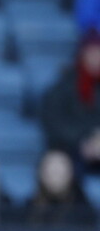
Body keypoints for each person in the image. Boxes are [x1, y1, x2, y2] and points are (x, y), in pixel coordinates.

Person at [40, 32, 100, 174]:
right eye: (93, 53)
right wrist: (84, 142)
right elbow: (53, 121)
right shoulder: (64, 84)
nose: (96, 58)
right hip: (71, 151)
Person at [26, 148, 96, 226]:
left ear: (71, 173)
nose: (55, 172)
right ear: (40, 172)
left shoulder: (85, 211)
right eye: (50, 167)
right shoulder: (26, 210)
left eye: (61, 167)